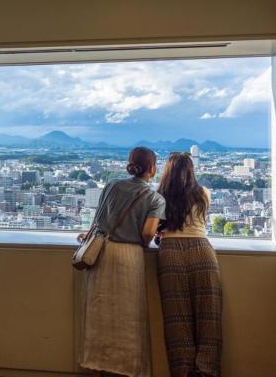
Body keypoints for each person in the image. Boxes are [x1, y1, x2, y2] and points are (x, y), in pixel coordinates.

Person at [78, 147, 166, 377]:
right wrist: (142, 241)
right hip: (129, 256)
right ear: (152, 168)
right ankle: (126, 369)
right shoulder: (155, 198)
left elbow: (98, 219)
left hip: (101, 252)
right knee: (129, 317)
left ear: (130, 164)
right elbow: (148, 233)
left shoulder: (112, 185)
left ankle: (96, 367)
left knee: (98, 313)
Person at [157, 152, 222, 377]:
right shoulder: (203, 193)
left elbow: (157, 227)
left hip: (170, 252)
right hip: (202, 250)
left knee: (177, 316)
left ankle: (183, 371)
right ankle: (206, 370)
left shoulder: (159, 195)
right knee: (209, 314)